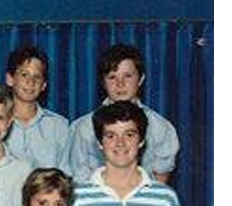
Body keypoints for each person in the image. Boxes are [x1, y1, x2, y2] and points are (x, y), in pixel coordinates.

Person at [65, 43, 180, 184]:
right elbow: (78, 182)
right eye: (112, 77)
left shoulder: (161, 127)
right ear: (103, 82)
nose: (120, 84)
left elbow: (161, 181)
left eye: (128, 76)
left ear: (141, 79)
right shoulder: (82, 128)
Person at [3, 46, 70, 170]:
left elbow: (66, 175)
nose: (31, 82)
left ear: (44, 85)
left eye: (37, 77)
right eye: (24, 75)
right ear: (10, 79)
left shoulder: (59, 126)